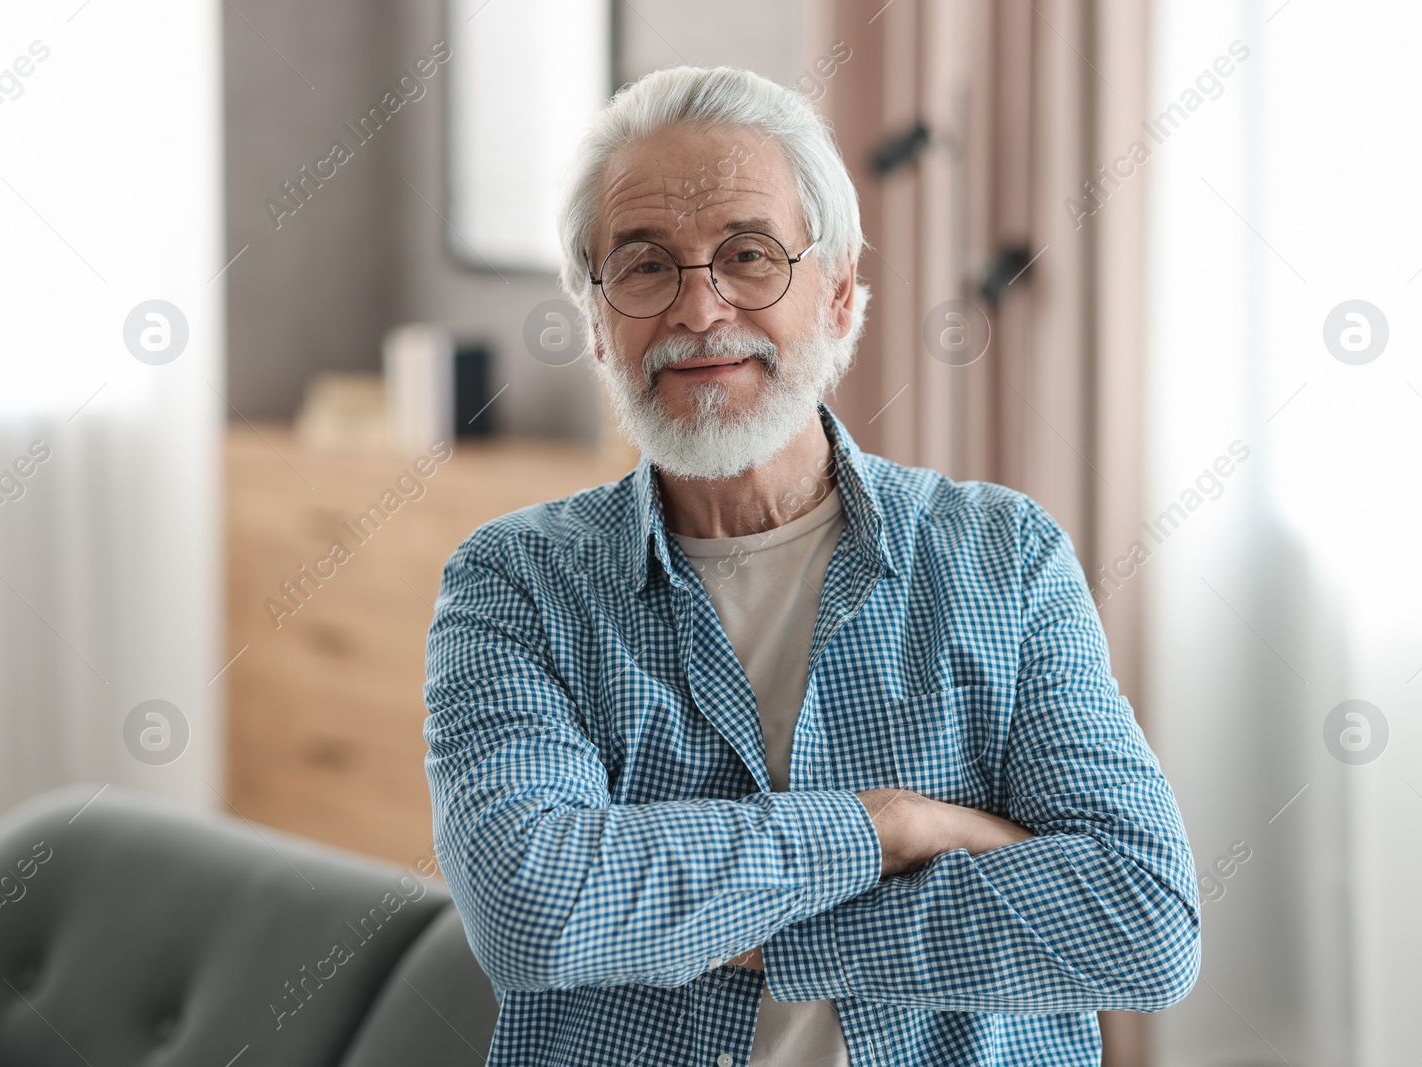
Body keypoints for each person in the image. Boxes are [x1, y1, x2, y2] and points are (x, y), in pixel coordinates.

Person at [424, 64, 1200, 1067]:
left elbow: (1138, 918)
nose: (701, 312)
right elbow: (535, 907)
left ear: (837, 297)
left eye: (748, 255)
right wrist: (895, 825)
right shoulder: (515, 582)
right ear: (595, 318)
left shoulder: (1004, 556)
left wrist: (701, 919)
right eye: (646, 265)